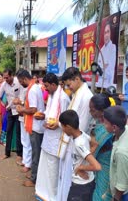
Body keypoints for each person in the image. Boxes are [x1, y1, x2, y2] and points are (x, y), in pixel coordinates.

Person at [58, 67, 93, 201]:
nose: (68, 88)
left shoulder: (86, 97)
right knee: (65, 178)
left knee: (71, 181)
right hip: (70, 142)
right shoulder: (78, 93)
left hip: (76, 145)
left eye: (69, 84)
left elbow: (81, 127)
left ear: (77, 79)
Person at [35, 73, 70, 200]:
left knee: (53, 171)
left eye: (47, 86)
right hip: (48, 138)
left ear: (54, 85)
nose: (45, 89)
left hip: (56, 141)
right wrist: (42, 115)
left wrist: (58, 124)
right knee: (45, 168)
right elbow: (49, 113)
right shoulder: (51, 96)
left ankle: (53, 197)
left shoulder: (63, 98)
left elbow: (67, 121)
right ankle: (43, 193)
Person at [59, 110, 101, 201]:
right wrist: (86, 158)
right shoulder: (82, 134)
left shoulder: (79, 144)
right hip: (87, 182)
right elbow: (95, 144)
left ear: (68, 127)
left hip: (81, 185)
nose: (62, 129)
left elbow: (97, 166)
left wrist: (81, 167)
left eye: (62, 126)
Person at [16, 70, 45, 187]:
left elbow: (33, 109)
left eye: (20, 81)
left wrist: (21, 109)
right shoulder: (35, 87)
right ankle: (35, 173)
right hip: (36, 124)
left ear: (23, 79)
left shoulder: (32, 89)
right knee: (35, 152)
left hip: (36, 126)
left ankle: (34, 179)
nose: (20, 84)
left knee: (36, 153)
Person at [89, 94, 113, 201]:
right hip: (98, 166)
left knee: (101, 197)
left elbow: (93, 151)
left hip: (107, 168)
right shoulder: (100, 122)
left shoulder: (109, 128)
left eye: (93, 110)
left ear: (102, 111)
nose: (90, 113)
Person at [0, 69, 22, 162]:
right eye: (4, 78)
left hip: (19, 110)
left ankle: (19, 154)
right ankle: (7, 153)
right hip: (10, 111)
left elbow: (23, 94)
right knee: (8, 131)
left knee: (19, 132)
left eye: (7, 77)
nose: (5, 79)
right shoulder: (4, 84)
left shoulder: (18, 82)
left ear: (12, 76)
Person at [103, 106, 128, 200]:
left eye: (105, 123)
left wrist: (116, 199)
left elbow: (122, 184)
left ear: (114, 127)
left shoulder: (121, 152)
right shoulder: (124, 129)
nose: (103, 125)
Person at [97, 22, 117, 88]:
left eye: (108, 32)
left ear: (110, 33)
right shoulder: (101, 50)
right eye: (105, 32)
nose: (106, 35)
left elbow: (109, 70)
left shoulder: (113, 47)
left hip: (108, 86)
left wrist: (101, 68)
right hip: (99, 84)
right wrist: (103, 66)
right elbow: (98, 70)